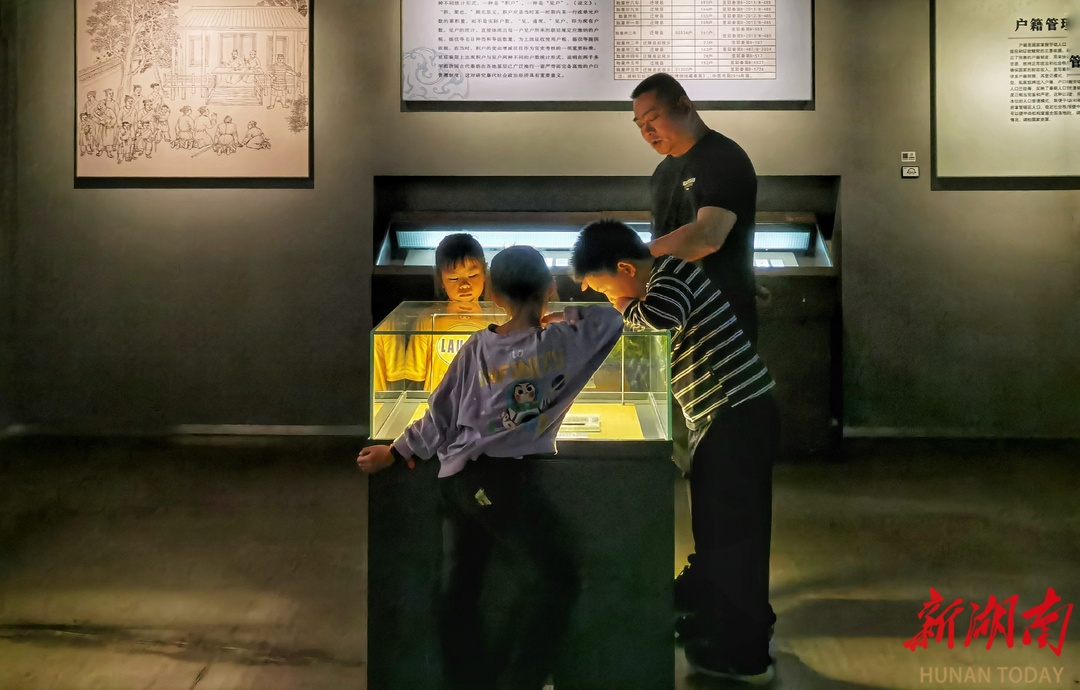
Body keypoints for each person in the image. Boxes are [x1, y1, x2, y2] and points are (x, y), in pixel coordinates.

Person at [358, 245, 624, 690]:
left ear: (493, 294)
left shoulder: (477, 347)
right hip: (500, 482)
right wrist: (564, 313)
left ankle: (470, 680)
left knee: (462, 586)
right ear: (549, 288)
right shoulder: (562, 343)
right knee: (557, 575)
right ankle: (521, 679)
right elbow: (613, 320)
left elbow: (440, 414)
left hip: (462, 479)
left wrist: (396, 450)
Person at [570, 219, 779, 685]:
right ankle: (721, 622)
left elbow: (656, 326)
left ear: (626, 269)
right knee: (721, 533)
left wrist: (621, 308)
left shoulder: (670, 276)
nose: (608, 299)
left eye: (605, 288)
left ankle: (745, 657)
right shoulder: (663, 279)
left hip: (735, 415)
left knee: (732, 538)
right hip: (725, 416)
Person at [399, 233, 491, 392]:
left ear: (484, 273)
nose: (464, 285)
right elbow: (414, 377)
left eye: (472, 275)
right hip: (439, 405)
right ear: (440, 279)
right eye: (454, 278)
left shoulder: (498, 319)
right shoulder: (428, 320)